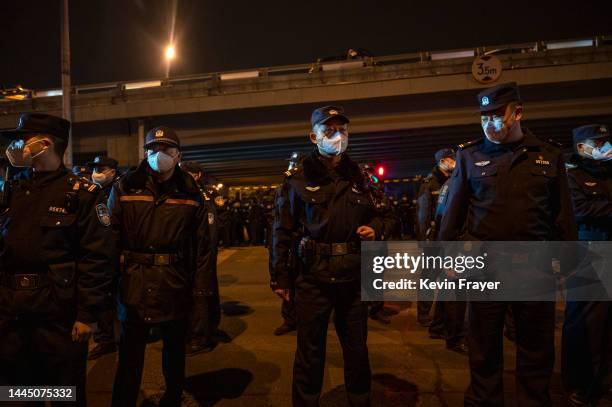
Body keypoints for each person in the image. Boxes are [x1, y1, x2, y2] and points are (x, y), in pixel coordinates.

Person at [438, 82, 577, 406]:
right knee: (484, 347)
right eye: (484, 117)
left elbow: (562, 217)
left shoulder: (547, 155)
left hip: (535, 266)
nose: (490, 123)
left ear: (518, 113)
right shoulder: (470, 156)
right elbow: (453, 216)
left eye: (497, 115)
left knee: (536, 348)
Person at [272, 105, 392, 406]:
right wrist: (280, 277)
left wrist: (375, 228)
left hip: (353, 276)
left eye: (343, 130)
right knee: (310, 352)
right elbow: (281, 231)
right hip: (313, 276)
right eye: (329, 131)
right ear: (314, 137)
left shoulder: (361, 177)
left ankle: (360, 400)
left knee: (356, 350)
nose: (338, 136)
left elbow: (388, 216)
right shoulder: (297, 179)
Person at [0, 113, 114, 406]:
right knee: (19, 394)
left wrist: (87, 315)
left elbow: (96, 258)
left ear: (45, 143)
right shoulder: (12, 189)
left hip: (58, 314)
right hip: (12, 312)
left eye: (22, 139)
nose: (14, 146)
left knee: (65, 393)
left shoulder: (82, 194)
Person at [109, 126, 215, 406]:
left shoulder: (192, 194)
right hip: (134, 282)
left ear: (178, 155)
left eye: (166, 150)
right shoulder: (125, 186)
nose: (159, 155)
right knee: (130, 355)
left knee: (174, 352)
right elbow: (109, 237)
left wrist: (200, 293)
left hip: (174, 282)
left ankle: (172, 397)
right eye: (153, 149)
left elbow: (202, 248)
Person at [562, 124, 612, 406]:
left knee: (607, 325)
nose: (605, 147)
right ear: (581, 147)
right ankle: (579, 383)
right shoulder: (572, 177)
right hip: (588, 253)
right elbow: (580, 210)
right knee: (585, 323)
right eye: (598, 142)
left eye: (607, 141)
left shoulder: (608, 174)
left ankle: (603, 382)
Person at [179, 160, 229, 355]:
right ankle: (207, 329)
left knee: (200, 293)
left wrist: (209, 248)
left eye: (186, 173)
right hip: (194, 251)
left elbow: (214, 224)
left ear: (197, 175)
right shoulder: (189, 192)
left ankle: (200, 337)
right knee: (205, 291)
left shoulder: (202, 194)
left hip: (200, 252)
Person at [415, 148, 455, 327]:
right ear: (442, 162)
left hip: (450, 239)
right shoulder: (429, 184)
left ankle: (443, 316)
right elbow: (423, 214)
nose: (453, 162)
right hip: (434, 239)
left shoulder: (454, 181)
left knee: (449, 278)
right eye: (449, 159)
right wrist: (424, 240)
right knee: (429, 278)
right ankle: (423, 315)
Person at [86, 155, 121, 360]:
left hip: (116, 253)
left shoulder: (121, 191)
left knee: (120, 297)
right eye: (95, 168)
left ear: (112, 172)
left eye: (101, 168)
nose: (97, 172)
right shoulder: (93, 192)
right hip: (99, 253)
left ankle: (118, 336)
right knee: (102, 298)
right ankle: (106, 339)